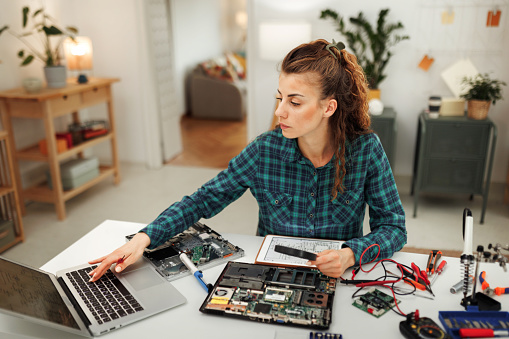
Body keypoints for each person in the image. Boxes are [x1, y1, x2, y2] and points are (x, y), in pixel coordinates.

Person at [88, 39, 406, 282]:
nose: (280, 111)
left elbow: (393, 227)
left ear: (328, 107)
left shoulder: (366, 150)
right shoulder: (263, 151)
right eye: (280, 98)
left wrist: (352, 254)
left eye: (295, 102)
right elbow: (202, 200)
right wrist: (143, 239)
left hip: (340, 277)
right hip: (271, 274)